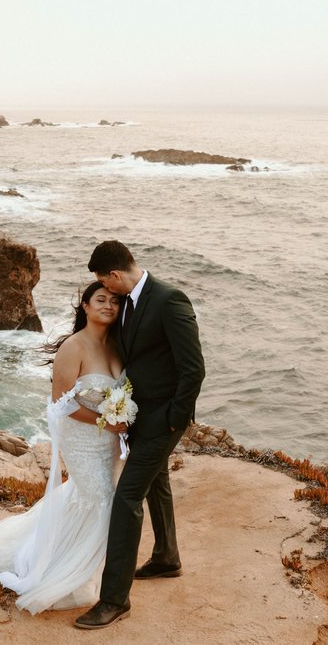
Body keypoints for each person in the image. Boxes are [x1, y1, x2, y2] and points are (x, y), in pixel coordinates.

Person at [0, 281, 129, 614]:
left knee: (96, 499)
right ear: (85, 305)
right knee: (99, 498)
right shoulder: (73, 347)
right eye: (100, 299)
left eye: (114, 301)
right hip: (82, 438)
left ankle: (88, 565)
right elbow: (60, 404)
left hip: (111, 442)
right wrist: (106, 421)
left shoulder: (117, 347)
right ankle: (69, 572)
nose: (108, 305)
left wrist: (122, 418)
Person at [74, 240, 205, 630]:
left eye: (103, 282)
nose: (105, 290)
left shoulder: (168, 300)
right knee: (156, 482)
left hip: (162, 420)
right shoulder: (129, 303)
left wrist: (172, 420)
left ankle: (114, 600)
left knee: (127, 497)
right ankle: (167, 556)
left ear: (114, 275)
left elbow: (193, 368)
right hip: (138, 417)